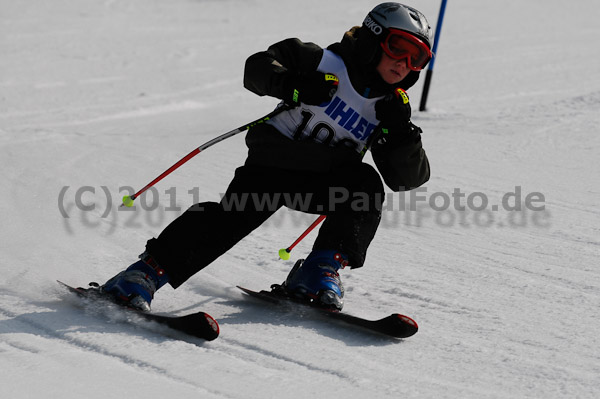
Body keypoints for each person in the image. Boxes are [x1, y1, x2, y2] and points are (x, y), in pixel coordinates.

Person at [101, 2, 432, 312]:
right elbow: (256, 68)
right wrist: (295, 85)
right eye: (398, 48)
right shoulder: (320, 62)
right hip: (271, 167)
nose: (405, 63)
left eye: (417, 58)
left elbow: (407, 179)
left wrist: (400, 131)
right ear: (373, 39)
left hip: (322, 181)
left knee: (366, 186)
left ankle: (319, 269)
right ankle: (143, 274)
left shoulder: (390, 107)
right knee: (229, 220)